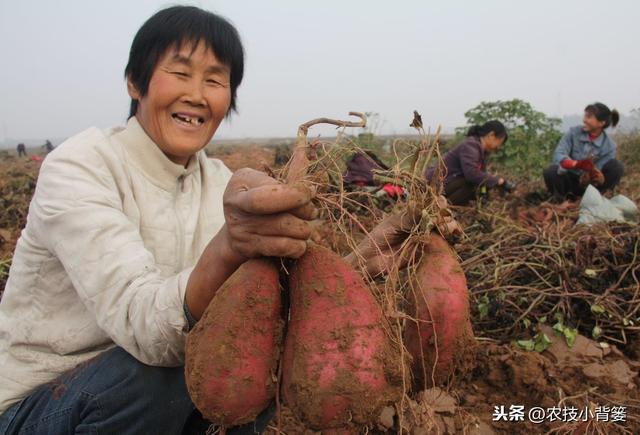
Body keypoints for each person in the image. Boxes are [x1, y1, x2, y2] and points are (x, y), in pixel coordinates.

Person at [0, 6, 447, 434]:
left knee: (256, 361)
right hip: (40, 403)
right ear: (136, 82)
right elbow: (145, 328)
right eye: (179, 73)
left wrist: (364, 258)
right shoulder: (79, 166)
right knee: (160, 375)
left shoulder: (219, 182)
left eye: (215, 80)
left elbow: (268, 300)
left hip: (150, 397)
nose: (196, 94)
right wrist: (230, 245)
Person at [543, 102, 622, 201]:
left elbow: (600, 169)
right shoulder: (573, 133)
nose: (584, 120)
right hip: (570, 180)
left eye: (589, 117)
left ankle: (600, 199)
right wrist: (575, 164)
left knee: (616, 166)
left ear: (601, 123)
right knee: (551, 171)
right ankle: (561, 200)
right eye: (585, 116)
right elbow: (559, 154)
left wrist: (599, 179)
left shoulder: (609, 146)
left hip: (592, 188)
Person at [425, 120, 515, 206]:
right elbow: (472, 174)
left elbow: (481, 176)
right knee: (471, 184)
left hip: (446, 182)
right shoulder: (471, 145)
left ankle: (449, 206)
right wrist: (498, 181)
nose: (498, 147)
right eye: (500, 142)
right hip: (434, 185)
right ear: (491, 135)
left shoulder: (480, 150)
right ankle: (443, 206)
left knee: (480, 184)